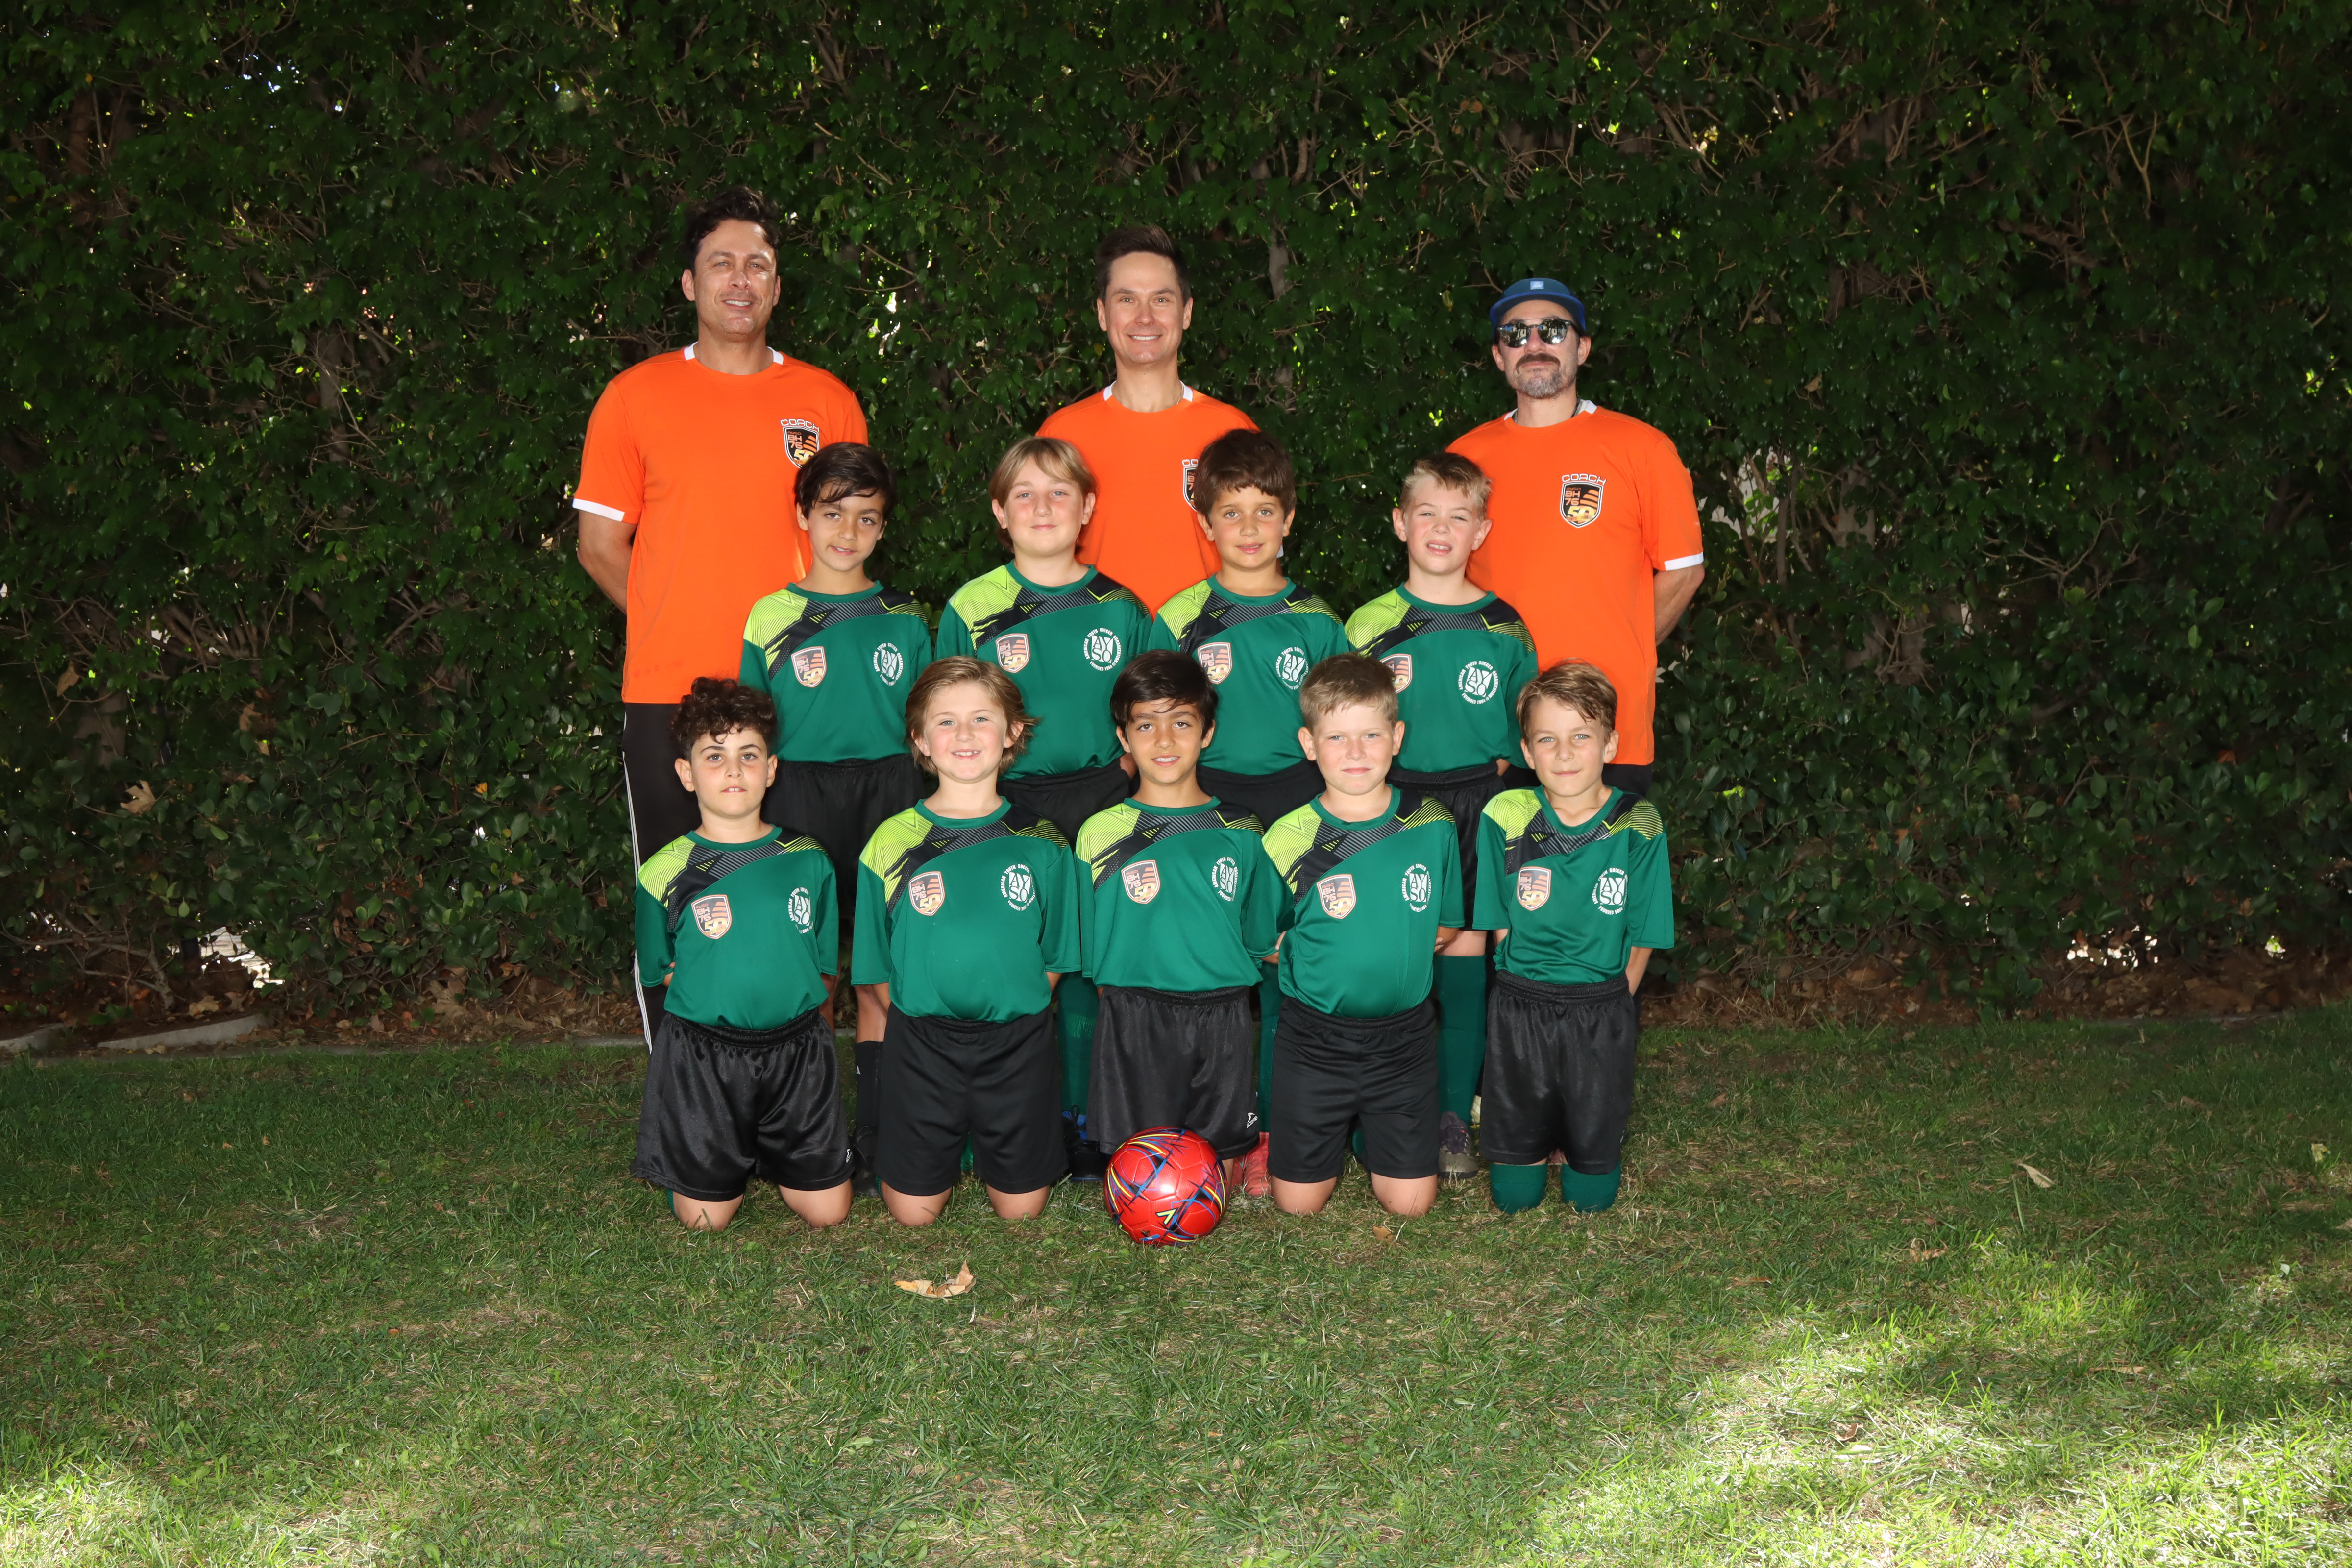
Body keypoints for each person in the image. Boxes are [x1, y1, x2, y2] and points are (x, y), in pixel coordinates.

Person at [573, 185, 868, 1041]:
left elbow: (849, 542)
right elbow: (599, 545)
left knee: (799, 899)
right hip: (672, 692)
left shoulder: (827, 402)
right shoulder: (635, 396)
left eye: (758, 265)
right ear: (690, 283)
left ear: (776, 285)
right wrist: (673, 619)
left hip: (800, 693)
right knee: (680, 898)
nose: (740, 280)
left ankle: (795, 1081)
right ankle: (684, 1085)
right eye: (722, 264)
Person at [935, 439, 1153, 1178]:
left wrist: (1132, 769)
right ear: (1000, 512)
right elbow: (946, 711)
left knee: (1089, 965)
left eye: (1060, 492)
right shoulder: (972, 606)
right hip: (1005, 801)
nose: (1042, 508)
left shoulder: (1121, 606)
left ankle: (1088, 1119)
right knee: (1008, 958)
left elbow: (1150, 708)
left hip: (1101, 799)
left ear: (1087, 508)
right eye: (1024, 494)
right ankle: (996, 1119)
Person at [1144, 428, 1349, 1191]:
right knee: (1215, 971)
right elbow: (1157, 724)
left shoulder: (1318, 621)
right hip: (1208, 806)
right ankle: (1210, 1130)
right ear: (1205, 523)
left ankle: (1275, 1129)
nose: (1250, 528)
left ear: (1289, 517)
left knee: (1284, 967)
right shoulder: (1179, 618)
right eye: (1231, 512)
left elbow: (1339, 727)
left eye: (1266, 510)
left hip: (1298, 803)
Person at [737, 442, 931, 1197]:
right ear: (803, 516)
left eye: (867, 518)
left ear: (883, 528)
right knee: (810, 973)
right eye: (832, 514)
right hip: (799, 794)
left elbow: (926, 725)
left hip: (891, 795)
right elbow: (753, 731)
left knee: (883, 973)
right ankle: (807, 1133)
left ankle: (883, 1134)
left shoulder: (905, 618)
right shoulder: (772, 616)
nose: (848, 532)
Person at [1345, 453, 1538, 1182]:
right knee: (1386, 959)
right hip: (1390, 805)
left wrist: (1488, 796)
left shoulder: (1505, 627)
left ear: (1481, 532)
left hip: (1475, 803)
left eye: (1460, 517)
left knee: (1464, 962)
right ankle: (1373, 1113)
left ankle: (1454, 1118)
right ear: (1400, 523)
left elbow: (1522, 739)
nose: (1441, 528)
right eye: (1427, 513)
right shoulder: (1369, 624)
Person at [1448, 277, 1704, 799]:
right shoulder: (1466, 458)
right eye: (1516, 333)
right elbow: (1446, 584)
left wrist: (1625, 649)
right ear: (1499, 356)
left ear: (1582, 347)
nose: (1534, 344)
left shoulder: (1642, 448)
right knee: (1498, 856)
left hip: (1606, 730)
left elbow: (1685, 571)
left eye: (1553, 330)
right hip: (1498, 732)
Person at [852, 658, 1081, 1225]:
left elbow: (1057, 953)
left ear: (1012, 732)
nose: (964, 734)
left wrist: (1013, 1002)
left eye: (981, 718)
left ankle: (996, 1143)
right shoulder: (891, 841)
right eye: (946, 721)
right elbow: (876, 965)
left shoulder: (1043, 841)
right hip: (922, 1044)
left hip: (1018, 1042)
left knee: (1022, 1211)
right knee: (913, 1214)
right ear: (920, 739)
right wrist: (925, 1014)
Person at [629, 678, 852, 1232]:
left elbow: (823, 965)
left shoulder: (808, 859)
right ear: (686, 773)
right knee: (705, 1221)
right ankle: (709, 1152)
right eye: (714, 756)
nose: (734, 770)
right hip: (705, 1057)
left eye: (749, 755)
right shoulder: (662, 872)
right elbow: (661, 969)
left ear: (771, 769)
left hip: (797, 1053)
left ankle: (772, 1149)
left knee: (829, 1213)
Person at [1260, 654, 1463, 1218]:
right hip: (1314, 1040)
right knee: (1298, 1206)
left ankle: (1376, 1133)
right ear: (1309, 744)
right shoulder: (1287, 837)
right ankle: (1334, 1132)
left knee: (1412, 1205)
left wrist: (1388, 947)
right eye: (1337, 737)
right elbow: (1263, 938)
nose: (1355, 752)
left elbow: (1446, 925)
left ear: (1397, 736)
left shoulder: (1432, 823)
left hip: (1404, 1042)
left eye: (1371, 734)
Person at [1073, 652, 1286, 1187]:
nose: (1164, 740)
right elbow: (1092, 951)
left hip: (1223, 1014)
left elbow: (1261, 936)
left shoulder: (1242, 830)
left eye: (1182, 723)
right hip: (1134, 1013)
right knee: (1141, 1176)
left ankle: (1248, 1148)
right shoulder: (1100, 833)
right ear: (1123, 737)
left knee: (1216, 1179)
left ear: (1207, 731)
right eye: (1146, 725)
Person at [1471, 662, 1674, 1215]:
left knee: (1592, 1200)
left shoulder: (1639, 822)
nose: (1564, 754)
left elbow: (1644, 928)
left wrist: (1616, 997)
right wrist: (1517, 979)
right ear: (1527, 751)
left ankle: (1583, 1144)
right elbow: (1499, 917)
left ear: (1610, 744)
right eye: (1547, 739)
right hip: (1521, 1005)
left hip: (1600, 1007)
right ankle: (1530, 1143)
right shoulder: (1505, 813)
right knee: (1515, 1197)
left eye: (1581, 737)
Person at [1037, 226, 1258, 613]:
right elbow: (1036, 567)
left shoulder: (1233, 431)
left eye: (1161, 299)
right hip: (1098, 644)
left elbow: (1262, 565)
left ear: (1186, 313)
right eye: (1127, 299)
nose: (1144, 317)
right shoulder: (1062, 435)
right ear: (1103, 314)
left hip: (1208, 645)